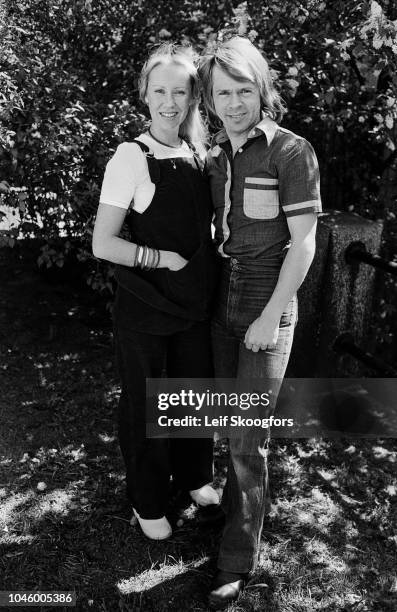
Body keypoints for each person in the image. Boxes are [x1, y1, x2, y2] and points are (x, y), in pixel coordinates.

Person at [198, 36, 322, 607]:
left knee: (250, 439)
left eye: (243, 90)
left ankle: (235, 559)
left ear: (261, 88)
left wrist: (271, 316)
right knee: (229, 422)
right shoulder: (218, 153)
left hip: (266, 297)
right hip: (222, 294)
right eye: (222, 92)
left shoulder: (291, 152)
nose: (233, 102)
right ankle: (232, 517)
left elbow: (304, 244)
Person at [93, 43, 219, 541]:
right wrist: (159, 259)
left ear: (192, 98)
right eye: (160, 89)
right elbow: (103, 243)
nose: (170, 101)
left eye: (180, 91)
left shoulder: (198, 154)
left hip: (193, 300)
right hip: (145, 303)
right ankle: (148, 500)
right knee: (146, 403)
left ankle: (195, 478)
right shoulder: (131, 157)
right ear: (144, 92)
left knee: (194, 391)